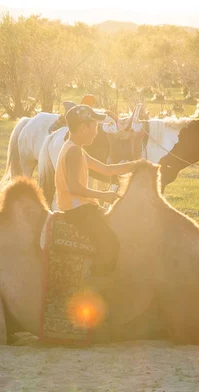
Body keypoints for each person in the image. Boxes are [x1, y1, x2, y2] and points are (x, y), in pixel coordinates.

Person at [55, 104, 139, 276]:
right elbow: (75, 187)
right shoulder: (74, 152)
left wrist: (137, 164)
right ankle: (94, 283)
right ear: (83, 127)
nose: (96, 132)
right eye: (94, 127)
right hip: (78, 210)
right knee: (110, 245)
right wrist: (103, 195)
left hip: (83, 207)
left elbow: (105, 169)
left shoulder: (75, 148)